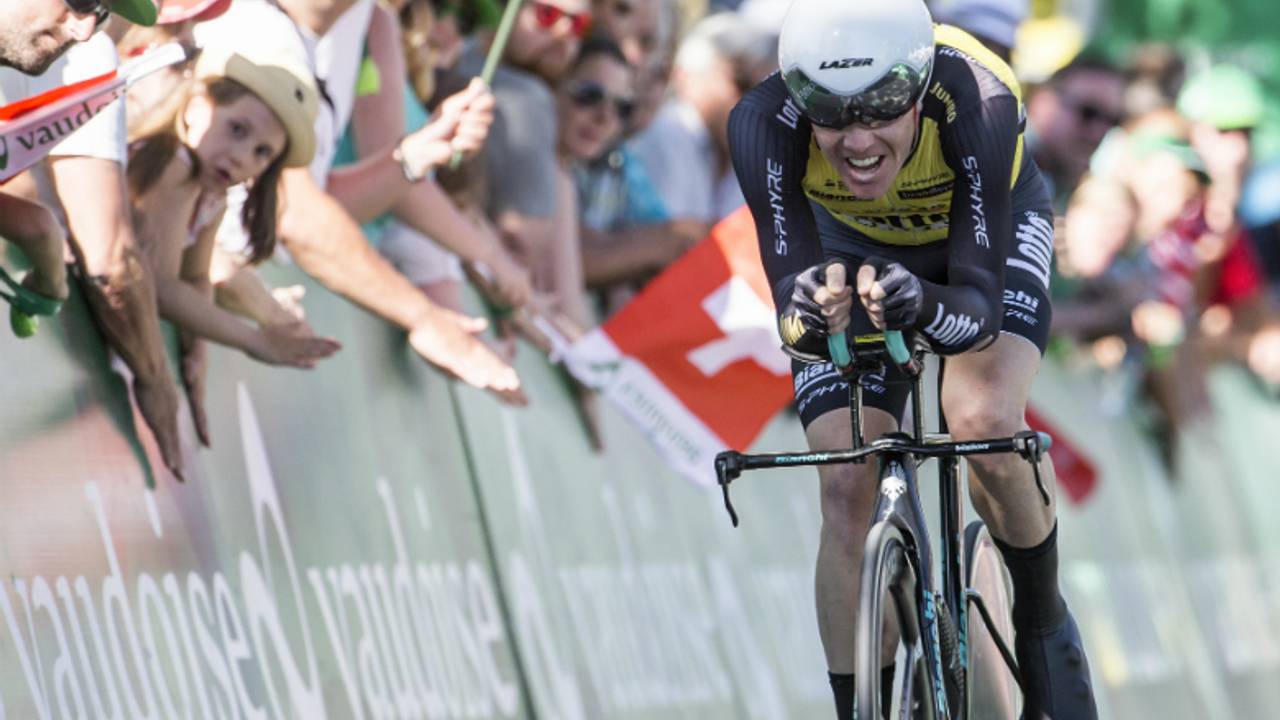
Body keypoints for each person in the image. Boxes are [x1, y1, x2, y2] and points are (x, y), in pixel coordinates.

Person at [726, 1, 1098, 718]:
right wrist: (810, 313)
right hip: (850, 245)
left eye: (883, 107)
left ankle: (1044, 622)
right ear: (798, 96)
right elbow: (793, 320)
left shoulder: (979, 97)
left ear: (921, 86)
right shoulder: (761, 122)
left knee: (982, 416)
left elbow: (977, 311)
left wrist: (920, 305)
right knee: (843, 477)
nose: (858, 139)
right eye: (830, 115)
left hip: (977, 244)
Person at [127, 43, 343, 442]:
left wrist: (196, 350)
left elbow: (195, 277)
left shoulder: (211, 195)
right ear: (194, 108)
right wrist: (254, 341)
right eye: (237, 129)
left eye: (263, 152)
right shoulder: (177, 166)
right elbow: (160, 284)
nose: (243, 156)